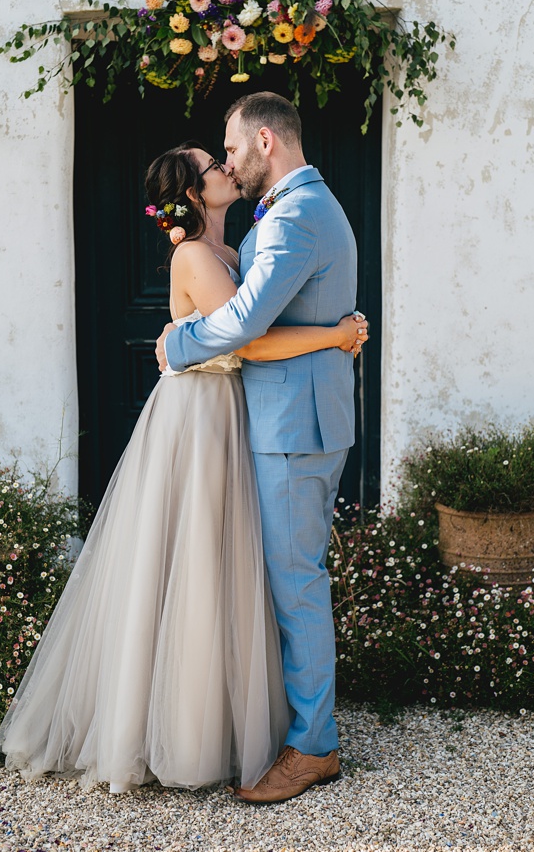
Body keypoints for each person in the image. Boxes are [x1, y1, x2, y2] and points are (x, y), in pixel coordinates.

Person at [0, 142, 367, 794]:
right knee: (189, 559)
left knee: (228, 565)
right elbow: (248, 337)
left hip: (233, 411)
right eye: (213, 166)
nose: (227, 169)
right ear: (195, 193)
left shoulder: (236, 249)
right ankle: (173, 729)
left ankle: (228, 723)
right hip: (198, 417)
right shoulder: (196, 255)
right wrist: (335, 334)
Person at [155, 92, 361, 803]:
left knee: (296, 586)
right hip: (289, 421)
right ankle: (292, 728)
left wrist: (178, 343)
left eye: (234, 148)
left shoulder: (294, 217)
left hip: (292, 428)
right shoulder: (293, 211)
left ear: (266, 141)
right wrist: (337, 332)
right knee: (284, 581)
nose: (231, 161)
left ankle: (313, 747)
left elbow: (244, 321)